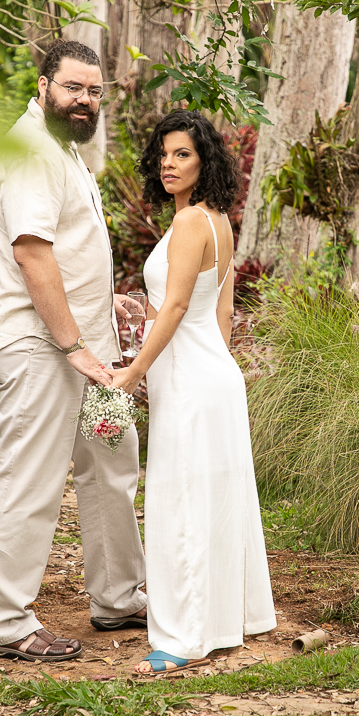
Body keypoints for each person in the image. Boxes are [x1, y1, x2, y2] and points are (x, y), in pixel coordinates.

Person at [0, 40, 148, 662]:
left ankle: (118, 597)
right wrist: (72, 343)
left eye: (95, 91)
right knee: (32, 475)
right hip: (38, 343)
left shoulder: (63, 151)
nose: (85, 100)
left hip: (81, 341)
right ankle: (7, 623)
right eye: (74, 88)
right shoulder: (30, 150)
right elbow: (31, 252)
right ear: (43, 86)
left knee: (111, 460)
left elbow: (64, 247)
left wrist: (106, 297)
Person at [111, 110, 276, 674]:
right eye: (163, 154)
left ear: (205, 161)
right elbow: (220, 312)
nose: (168, 163)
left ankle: (181, 640)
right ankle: (222, 623)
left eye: (182, 154)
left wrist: (133, 373)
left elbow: (179, 307)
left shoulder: (188, 225)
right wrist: (207, 364)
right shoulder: (216, 221)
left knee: (179, 504)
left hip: (191, 379)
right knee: (215, 504)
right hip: (215, 376)